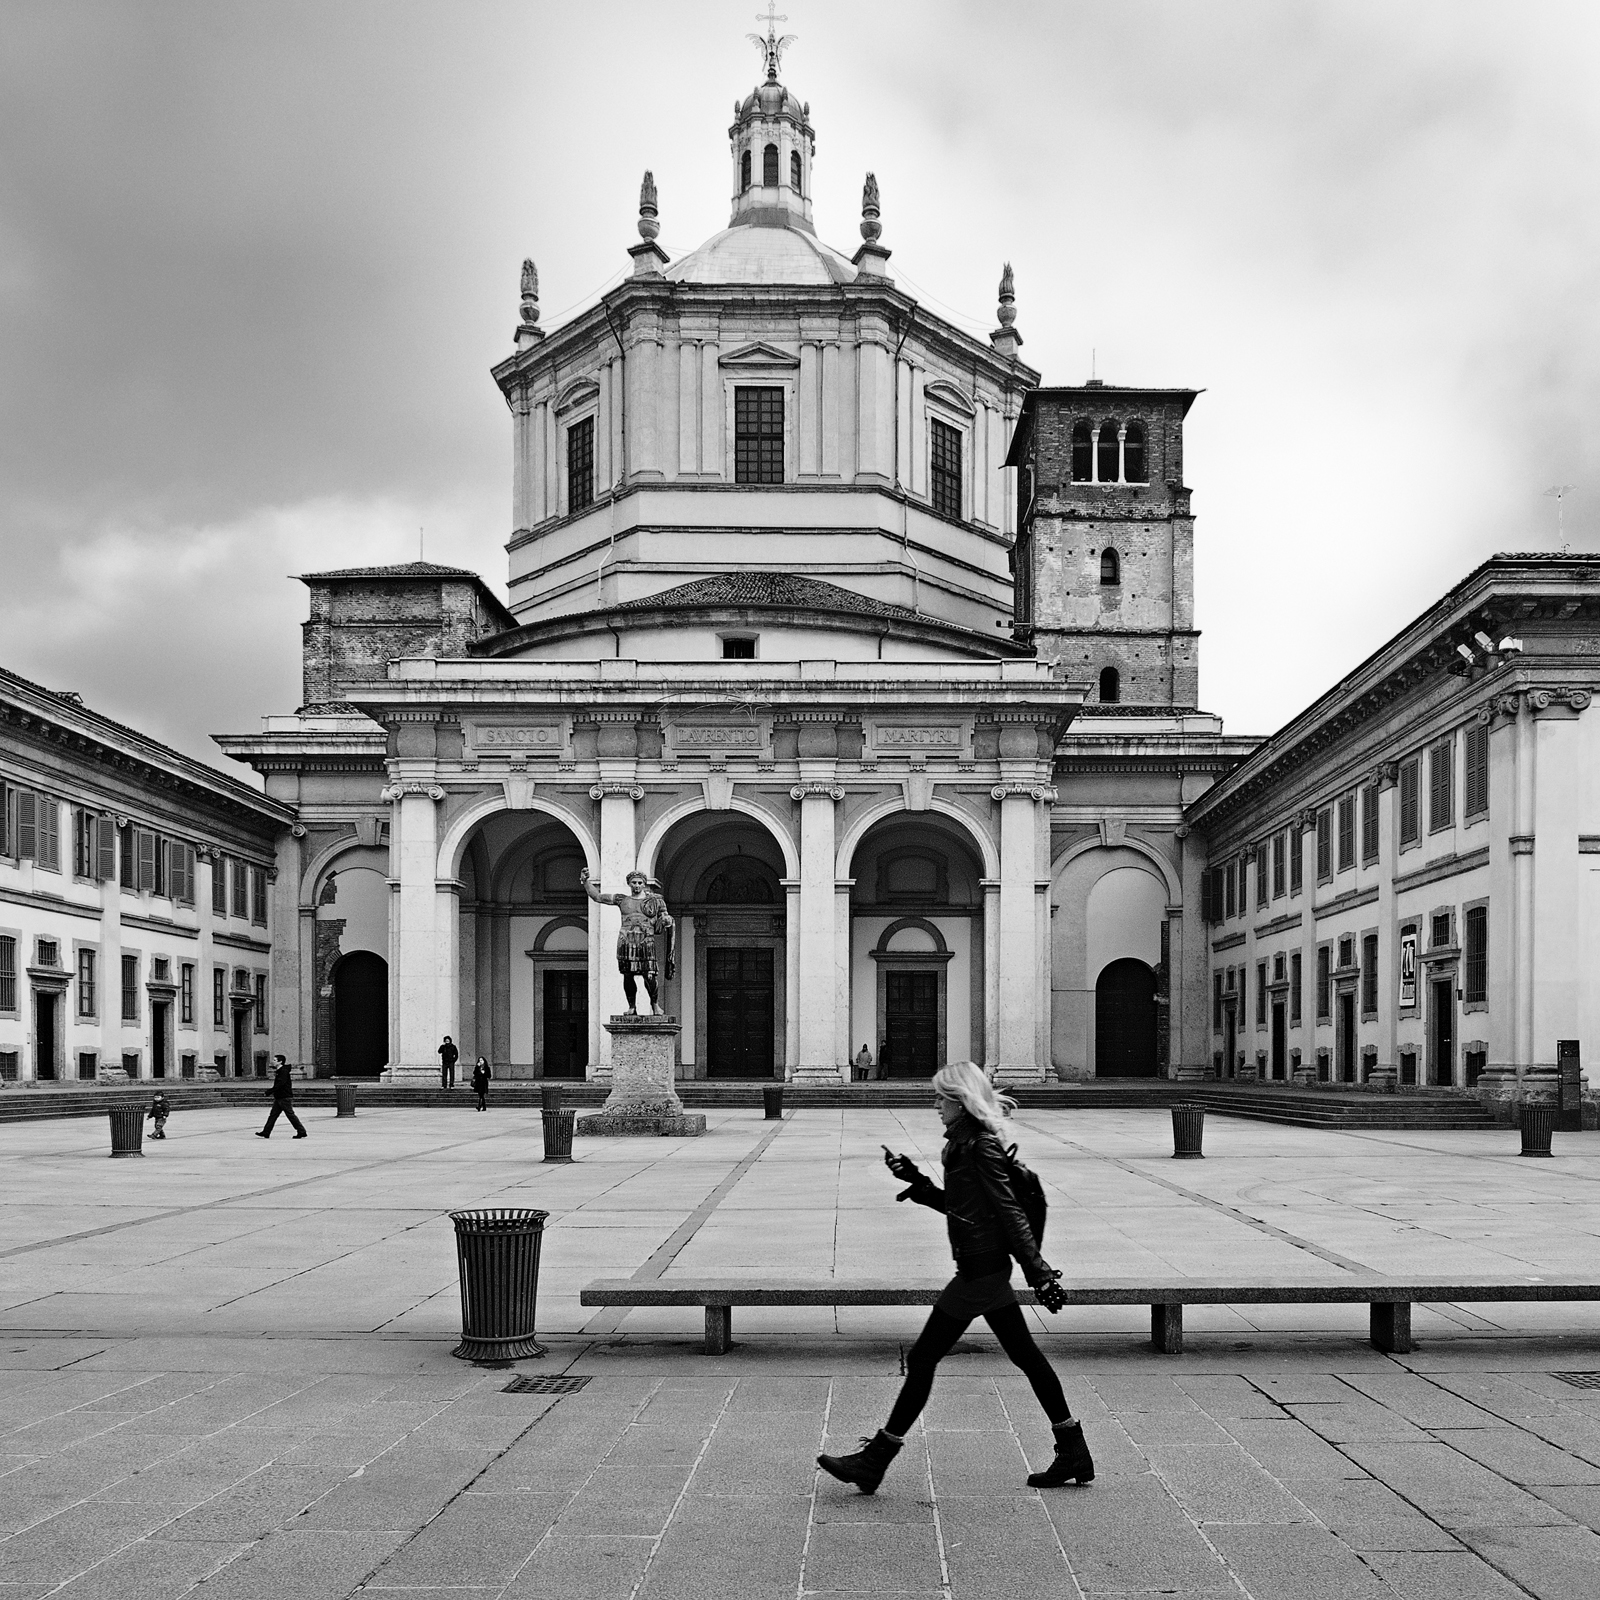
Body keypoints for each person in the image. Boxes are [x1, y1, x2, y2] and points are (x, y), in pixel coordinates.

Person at [817, 1060, 1093, 1495]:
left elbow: (1010, 1213)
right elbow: (966, 1208)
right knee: (1027, 1356)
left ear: (960, 1102)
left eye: (940, 1098)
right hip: (983, 1269)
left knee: (924, 1358)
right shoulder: (962, 1146)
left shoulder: (978, 1147)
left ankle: (875, 1461)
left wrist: (1040, 1275)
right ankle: (1073, 1447)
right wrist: (920, 1184)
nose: (934, 1106)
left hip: (980, 1273)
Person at [579, 868, 675, 1015]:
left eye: (640, 883)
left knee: (649, 975)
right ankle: (632, 1006)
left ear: (644, 884)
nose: (637, 885)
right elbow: (597, 897)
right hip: (626, 941)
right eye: (634, 882)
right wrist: (585, 881)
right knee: (628, 975)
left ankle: (655, 1004)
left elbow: (665, 917)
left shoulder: (655, 901)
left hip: (646, 941)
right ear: (629, 884)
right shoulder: (621, 899)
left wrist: (666, 920)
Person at [257, 1054, 307, 1139]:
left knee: (290, 1115)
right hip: (280, 1096)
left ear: (280, 1062)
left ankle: (301, 1131)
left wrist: (269, 1091)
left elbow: (280, 1084)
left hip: (284, 1096)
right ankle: (266, 1132)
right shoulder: (280, 1070)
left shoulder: (283, 1071)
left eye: (275, 1060)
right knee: (273, 1115)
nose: (273, 1061)